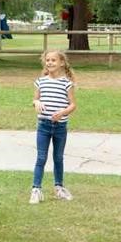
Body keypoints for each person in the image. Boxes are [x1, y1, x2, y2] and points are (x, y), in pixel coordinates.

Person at [29, 49, 77, 204]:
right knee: (41, 158)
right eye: (47, 60)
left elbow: (73, 105)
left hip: (60, 127)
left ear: (61, 63)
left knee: (58, 157)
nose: (50, 63)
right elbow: (35, 100)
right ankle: (36, 189)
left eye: (53, 60)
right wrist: (37, 103)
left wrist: (62, 113)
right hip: (43, 125)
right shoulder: (40, 81)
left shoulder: (67, 84)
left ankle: (59, 188)